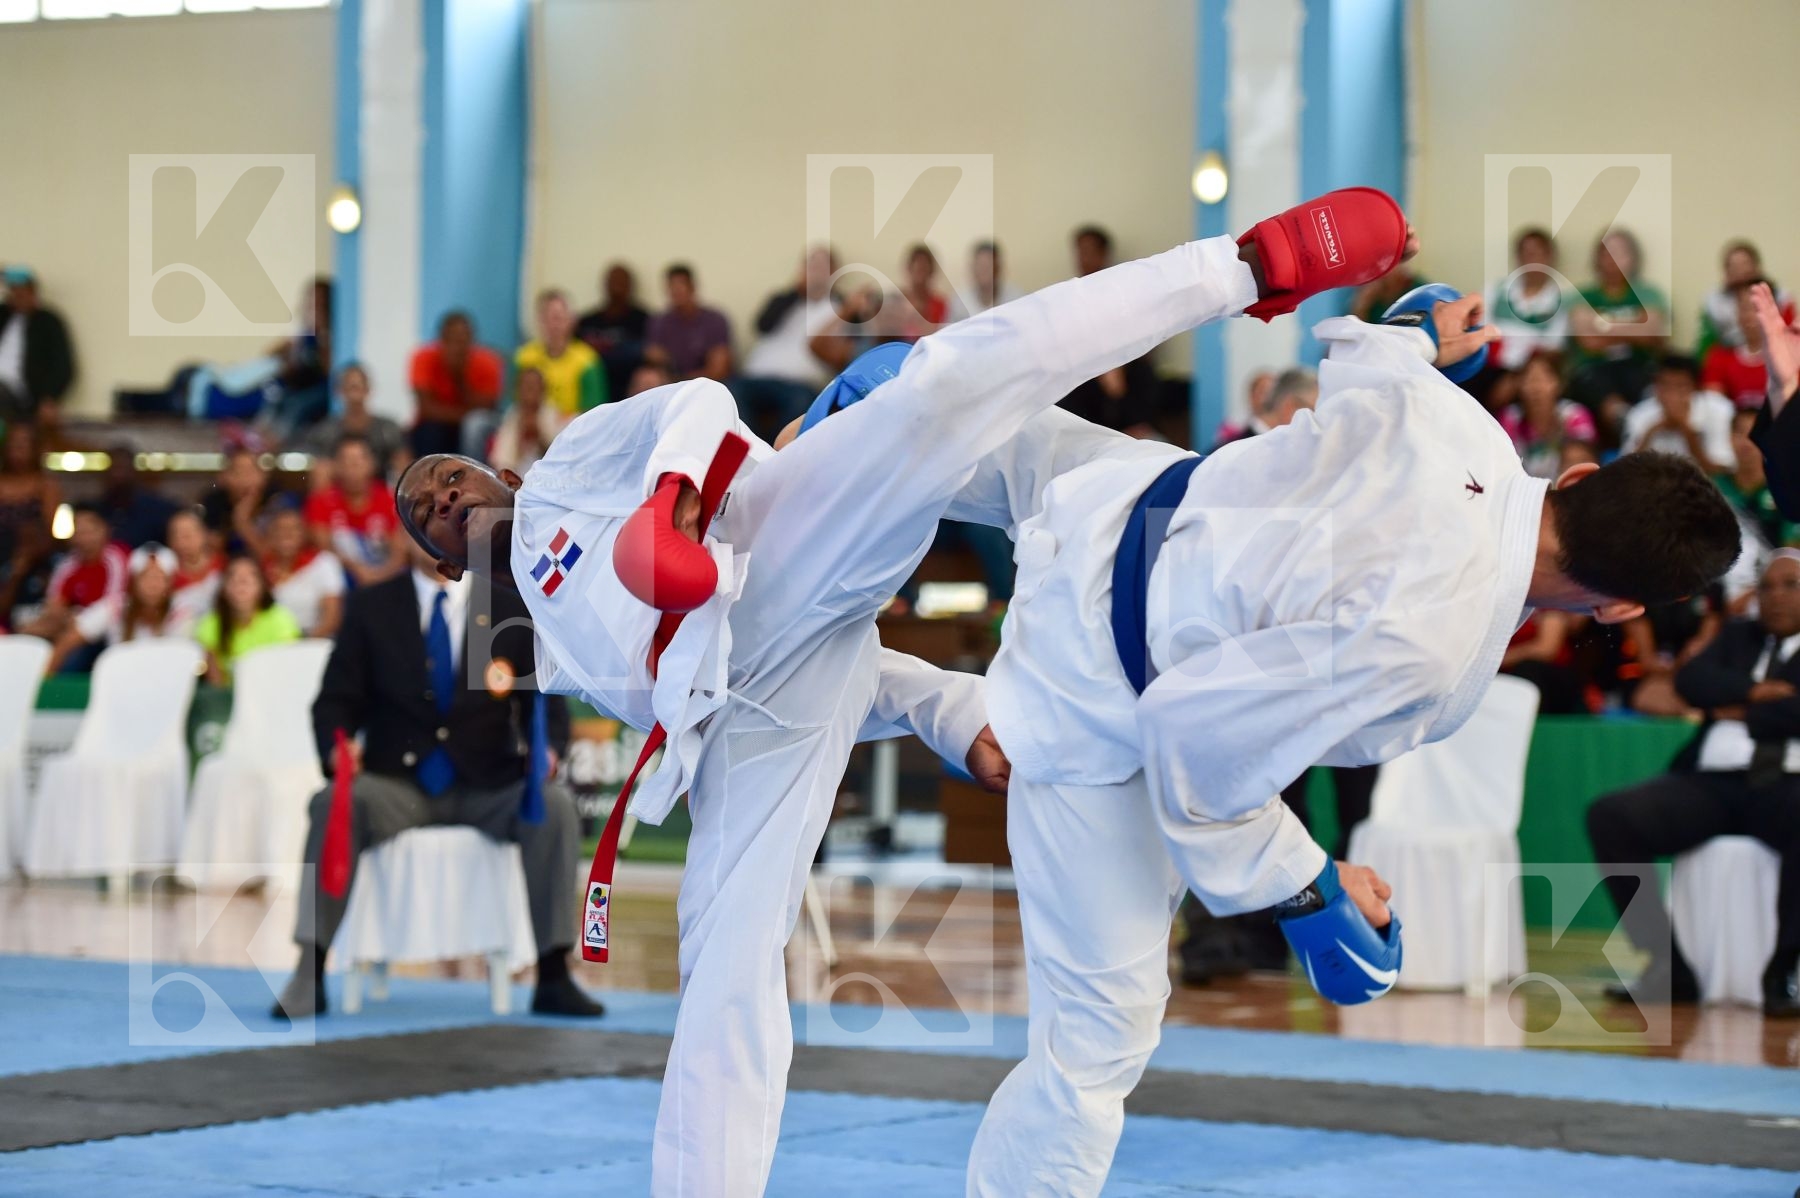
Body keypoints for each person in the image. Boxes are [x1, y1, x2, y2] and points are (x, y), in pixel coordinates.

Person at [917, 236, 1737, 1193]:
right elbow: (1191, 732)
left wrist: (1423, 334)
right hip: (1091, 678)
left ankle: (806, 458)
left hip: (1114, 497)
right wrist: (1309, 889)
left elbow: (1363, 355)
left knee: (945, 426)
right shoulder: (1431, 650)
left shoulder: (1465, 427)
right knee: (1095, 1040)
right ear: (1619, 608)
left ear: (1581, 475)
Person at [397, 377, 1005, 1198]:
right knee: (717, 963)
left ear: (497, 472)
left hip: (774, 565)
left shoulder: (574, 465)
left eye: (450, 475)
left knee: (725, 969)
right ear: (441, 565)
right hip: (750, 700)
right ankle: (986, 711)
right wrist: (951, 711)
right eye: (428, 509)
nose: (445, 494)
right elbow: (727, 682)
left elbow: (698, 399)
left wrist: (672, 489)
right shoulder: (505, 634)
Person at [270, 538, 602, 1021]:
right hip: (396, 786)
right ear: (403, 535)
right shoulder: (371, 607)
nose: (436, 534)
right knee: (331, 801)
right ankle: (310, 970)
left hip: (488, 785)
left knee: (552, 807)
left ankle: (553, 973)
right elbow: (335, 703)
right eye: (421, 522)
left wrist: (547, 750)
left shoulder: (509, 605)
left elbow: (545, 700)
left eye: (450, 523)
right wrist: (337, 750)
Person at [1586, 551, 1800, 1018]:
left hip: (1786, 784)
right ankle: (1667, 967)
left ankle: (1785, 970)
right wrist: (1754, 693)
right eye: (1768, 587)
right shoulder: (1737, 636)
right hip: (1713, 784)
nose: (1777, 596)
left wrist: (1734, 706)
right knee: (1612, 817)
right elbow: (1691, 680)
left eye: (1791, 585)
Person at [1057, 226, 1161, 438]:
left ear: (1103, 254)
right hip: (1082, 381)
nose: (1082, 258)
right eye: (1079, 251)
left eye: (1088, 251)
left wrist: (1116, 377)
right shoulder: (1067, 299)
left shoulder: (1123, 293)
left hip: (1126, 376)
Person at [731, 246, 839, 440]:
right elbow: (762, 325)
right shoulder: (784, 299)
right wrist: (796, 292)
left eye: (822, 267)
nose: (815, 272)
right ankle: (750, 451)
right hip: (756, 377)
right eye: (811, 265)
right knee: (729, 392)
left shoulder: (840, 307)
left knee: (801, 403)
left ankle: (771, 455)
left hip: (799, 384)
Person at [1569, 229, 1669, 416]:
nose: (1612, 259)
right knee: (1594, 384)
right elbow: (1588, 341)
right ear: (1597, 259)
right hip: (1595, 367)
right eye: (1606, 252)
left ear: (1633, 258)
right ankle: (1621, 419)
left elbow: (1651, 334)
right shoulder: (1583, 295)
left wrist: (1601, 325)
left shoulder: (1649, 294)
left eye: (1619, 252)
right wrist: (1633, 327)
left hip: (1639, 364)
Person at [46, 542, 184, 674]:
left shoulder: (181, 612)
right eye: (146, 578)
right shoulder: (115, 606)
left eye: (160, 578)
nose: (153, 585)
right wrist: (45, 679)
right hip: (117, 683)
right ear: (133, 582)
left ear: (170, 583)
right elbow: (69, 639)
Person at [23, 503, 128, 669]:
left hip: (106, 631)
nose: (84, 537)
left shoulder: (115, 559)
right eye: (79, 531)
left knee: (74, 654)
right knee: (28, 632)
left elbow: (111, 607)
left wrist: (76, 621)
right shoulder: (67, 564)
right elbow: (54, 604)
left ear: (104, 530)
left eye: (89, 531)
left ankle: (46, 682)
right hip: (69, 625)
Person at [304, 434, 405, 589]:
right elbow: (324, 548)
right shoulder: (321, 501)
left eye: (358, 461)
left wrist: (379, 576)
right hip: (341, 581)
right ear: (336, 466)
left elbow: (400, 552)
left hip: (385, 578)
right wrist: (358, 570)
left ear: (372, 464)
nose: (352, 468)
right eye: (345, 461)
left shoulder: (390, 499)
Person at [409, 311, 506, 458]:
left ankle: (475, 474)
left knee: (474, 424)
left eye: (462, 340)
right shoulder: (423, 358)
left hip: (475, 425)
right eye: (451, 340)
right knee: (428, 432)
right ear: (441, 340)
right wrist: (461, 413)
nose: (457, 347)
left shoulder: (489, 362)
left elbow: (487, 407)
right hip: (437, 425)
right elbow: (426, 408)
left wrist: (459, 377)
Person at [193, 554, 302, 685]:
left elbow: (286, 670)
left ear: (262, 585)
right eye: (233, 577)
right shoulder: (210, 623)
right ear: (223, 587)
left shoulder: (281, 619)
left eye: (250, 577)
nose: (241, 582)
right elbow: (216, 683)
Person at [1621, 354, 1734, 472]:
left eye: (1681, 386)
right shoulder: (1639, 414)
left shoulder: (1719, 409)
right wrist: (1651, 432)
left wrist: (1686, 431)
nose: (1672, 394)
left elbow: (1722, 472)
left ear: (1695, 388)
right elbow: (1625, 470)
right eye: (1665, 385)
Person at [1484, 227, 1573, 373]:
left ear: (1550, 257)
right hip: (1488, 366)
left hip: (1528, 373)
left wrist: (1516, 378)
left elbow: (1553, 349)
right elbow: (1479, 333)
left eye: (1538, 254)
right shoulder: (1494, 290)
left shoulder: (1561, 300)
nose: (1532, 260)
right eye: (1527, 254)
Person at [515, 289, 608, 426]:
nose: (554, 325)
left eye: (559, 318)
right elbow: (513, 400)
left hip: (570, 426)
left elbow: (593, 412)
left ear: (571, 321)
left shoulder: (588, 361)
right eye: (548, 318)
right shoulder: (523, 357)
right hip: (527, 420)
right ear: (539, 321)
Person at [1499, 351, 1597, 480]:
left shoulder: (1575, 416)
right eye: (1530, 380)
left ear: (1559, 384)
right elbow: (1501, 463)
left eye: (1543, 379)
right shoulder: (1510, 418)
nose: (1536, 388)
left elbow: (1586, 461)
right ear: (1519, 386)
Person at [0, 266, 76, 425]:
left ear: (33, 293)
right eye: (13, 291)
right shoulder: (4, 316)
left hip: (20, 394)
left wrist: (50, 398)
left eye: (22, 292)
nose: (17, 296)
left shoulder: (48, 322)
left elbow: (63, 366)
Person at [301, 363, 406, 476]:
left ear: (368, 389)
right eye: (350, 388)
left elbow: (402, 465)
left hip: (379, 489)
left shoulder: (387, 430)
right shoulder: (325, 432)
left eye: (358, 388)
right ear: (339, 391)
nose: (355, 395)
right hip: (338, 489)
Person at [263, 501, 345, 639]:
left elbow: (332, 618)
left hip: (313, 641)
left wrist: (301, 643)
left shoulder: (324, 563)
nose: (287, 534)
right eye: (280, 529)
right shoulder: (260, 569)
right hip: (271, 644)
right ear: (271, 535)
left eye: (294, 528)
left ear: (304, 533)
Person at [1697, 241, 1793, 359]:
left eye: (1745, 263)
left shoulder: (1780, 296)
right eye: (1733, 265)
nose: (1740, 270)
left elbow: (1791, 337)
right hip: (1730, 357)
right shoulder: (1714, 302)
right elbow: (1706, 347)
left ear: (1757, 267)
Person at [576, 262, 653, 403]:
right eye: (613, 281)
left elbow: (650, 355)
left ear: (631, 286)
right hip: (593, 390)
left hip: (633, 395)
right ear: (604, 285)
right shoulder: (586, 322)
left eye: (622, 282)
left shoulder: (643, 319)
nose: (617, 287)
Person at [645, 264, 732, 381]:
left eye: (680, 286)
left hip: (707, 384)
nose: (676, 291)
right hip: (670, 384)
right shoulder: (659, 322)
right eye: (672, 286)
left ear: (692, 287)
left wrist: (682, 381)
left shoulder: (714, 320)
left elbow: (719, 369)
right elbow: (654, 360)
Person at [1701, 278, 1777, 409]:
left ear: (1774, 309)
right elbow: (1713, 406)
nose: (1748, 315)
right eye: (1743, 308)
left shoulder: (1790, 357)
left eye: (1755, 308)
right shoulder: (1720, 357)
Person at [95, 446, 178, 550]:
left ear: (133, 472)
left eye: (122, 468)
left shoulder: (158, 509)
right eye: (114, 468)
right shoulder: (96, 510)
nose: (117, 476)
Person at [0, 421, 58, 569]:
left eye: (23, 443)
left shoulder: (46, 485)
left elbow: (47, 531)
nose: (17, 449)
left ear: (35, 448)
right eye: (13, 443)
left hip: (32, 556)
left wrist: (24, 560)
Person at [487, 367, 564, 476]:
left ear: (543, 390)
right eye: (525, 385)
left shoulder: (551, 414)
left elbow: (558, 457)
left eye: (534, 385)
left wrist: (538, 435)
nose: (529, 389)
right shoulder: (512, 415)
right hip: (515, 477)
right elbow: (499, 458)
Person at [199, 446, 273, 558]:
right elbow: (209, 551)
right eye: (238, 473)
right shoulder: (213, 502)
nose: (245, 480)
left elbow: (270, 557)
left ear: (263, 476)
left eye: (251, 472)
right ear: (223, 477)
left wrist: (242, 521)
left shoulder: (277, 502)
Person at [165, 508, 224, 632]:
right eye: (175, 536)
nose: (181, 542)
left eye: (187, 535)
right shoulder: (166, 577)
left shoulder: (225, 566)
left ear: (203, 534)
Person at [966, 240, 1021, 316]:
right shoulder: (960, 302)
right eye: (980, 265)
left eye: (988, 266)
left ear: (998, 267)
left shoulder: (1016, 298)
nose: (983, 271)